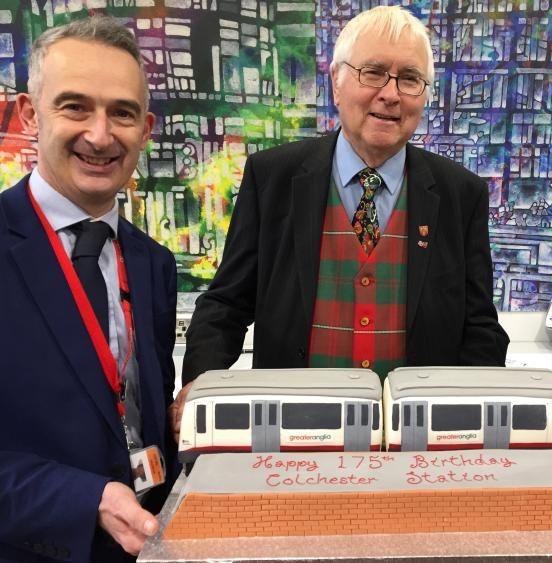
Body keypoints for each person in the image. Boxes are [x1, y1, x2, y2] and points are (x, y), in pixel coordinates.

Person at [174, 5, 509, 430]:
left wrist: (465, 419)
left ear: (424, 95)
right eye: (372, 72)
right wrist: (202, 391)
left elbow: (480, 326)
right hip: (287, 437)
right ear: (336, 80)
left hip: (413, 447)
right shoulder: (272, 178)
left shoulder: (462, 194)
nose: (390, 94)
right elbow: (225, 305)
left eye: (409, 78)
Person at [0, 16, 178, 562]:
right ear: (31, 114)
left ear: (144, 129)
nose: (100, 136)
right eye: (75, 106)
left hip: (148, 544)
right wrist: (86, 500)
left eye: (121, 113)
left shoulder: (154, 263)